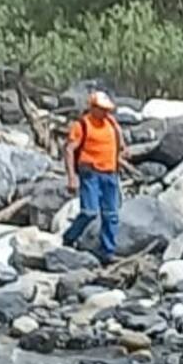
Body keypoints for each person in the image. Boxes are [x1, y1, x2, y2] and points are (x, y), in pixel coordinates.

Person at [60, 90, 124, 264]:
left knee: (111, 215)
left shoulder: (110, 123)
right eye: (102, 109)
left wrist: (120, 156)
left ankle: (107, 251)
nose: (105, 113)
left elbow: (118, 142)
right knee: (90, 212)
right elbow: (69, 149)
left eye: (107, 109)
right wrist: (72, 177)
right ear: (93, 107)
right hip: (91, 174)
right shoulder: (82, 125)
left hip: (110, 173)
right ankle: (69, 237)